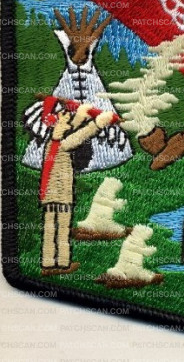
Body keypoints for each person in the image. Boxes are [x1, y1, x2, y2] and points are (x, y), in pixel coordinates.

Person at [38, 97, 118, 275]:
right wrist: (98, 123)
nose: (67, 121)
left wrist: (81, 114)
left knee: (50, 229)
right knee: (62, 229)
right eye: (64, 119)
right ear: (58, 124)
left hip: (49, 195)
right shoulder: (63, 145)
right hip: (61, 195)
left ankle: (48, 263)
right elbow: (79, 135)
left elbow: (70, 129)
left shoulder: (52, 142)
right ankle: (62, 263)